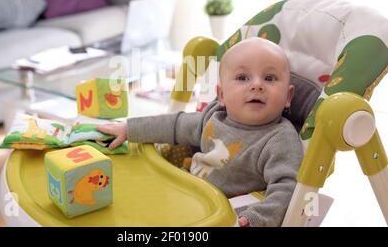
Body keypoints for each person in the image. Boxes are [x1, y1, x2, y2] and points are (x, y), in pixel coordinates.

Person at [98, 37, 304, 227]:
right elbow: (174, 125)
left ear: (288, 96)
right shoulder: (213, 117)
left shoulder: (280, 139)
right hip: (185, 193)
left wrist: (257, 218)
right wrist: (129, 128)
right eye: (242, 77)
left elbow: (287, 188)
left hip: (223, 212)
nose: (257, 85)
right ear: (221, 95)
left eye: (269, 78)